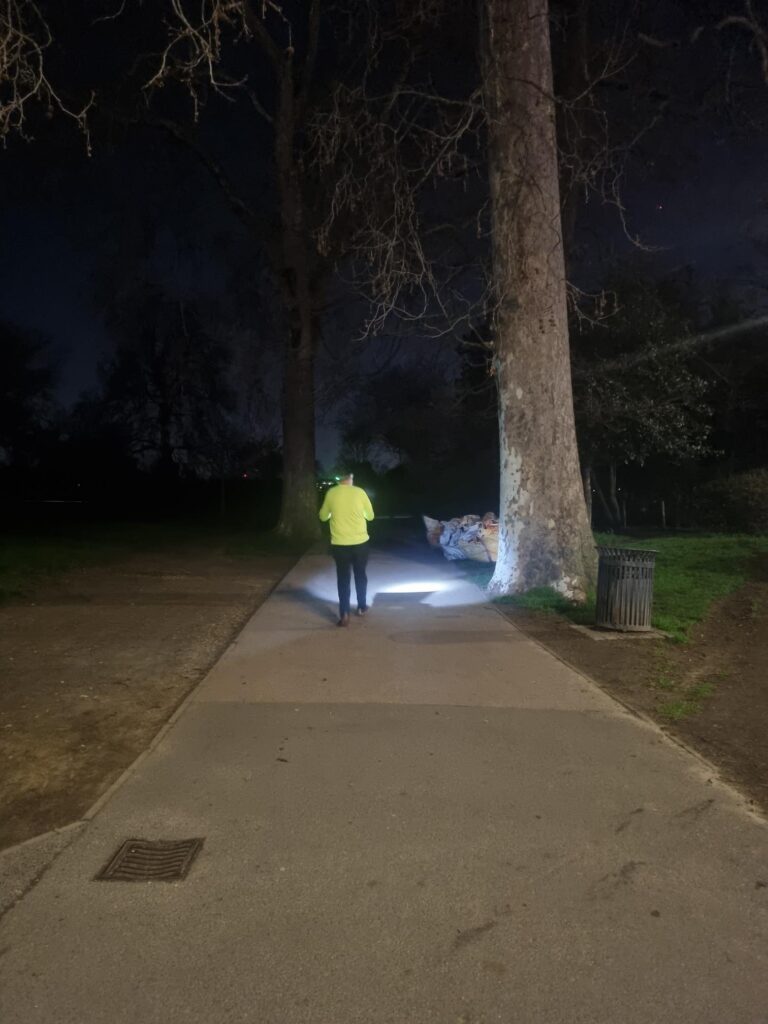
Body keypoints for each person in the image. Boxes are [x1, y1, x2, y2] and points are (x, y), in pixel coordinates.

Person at [318, 471, 375, 627]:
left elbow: (323, 516)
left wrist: (332, 514)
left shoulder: (332, 493)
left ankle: (344, 613)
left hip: (340, 544)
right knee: (360, 574)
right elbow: (370, 516)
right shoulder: (360, 492)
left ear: (339, 480)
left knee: (343, 578)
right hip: (360, 543)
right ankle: (361, 607)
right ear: (351, 478)